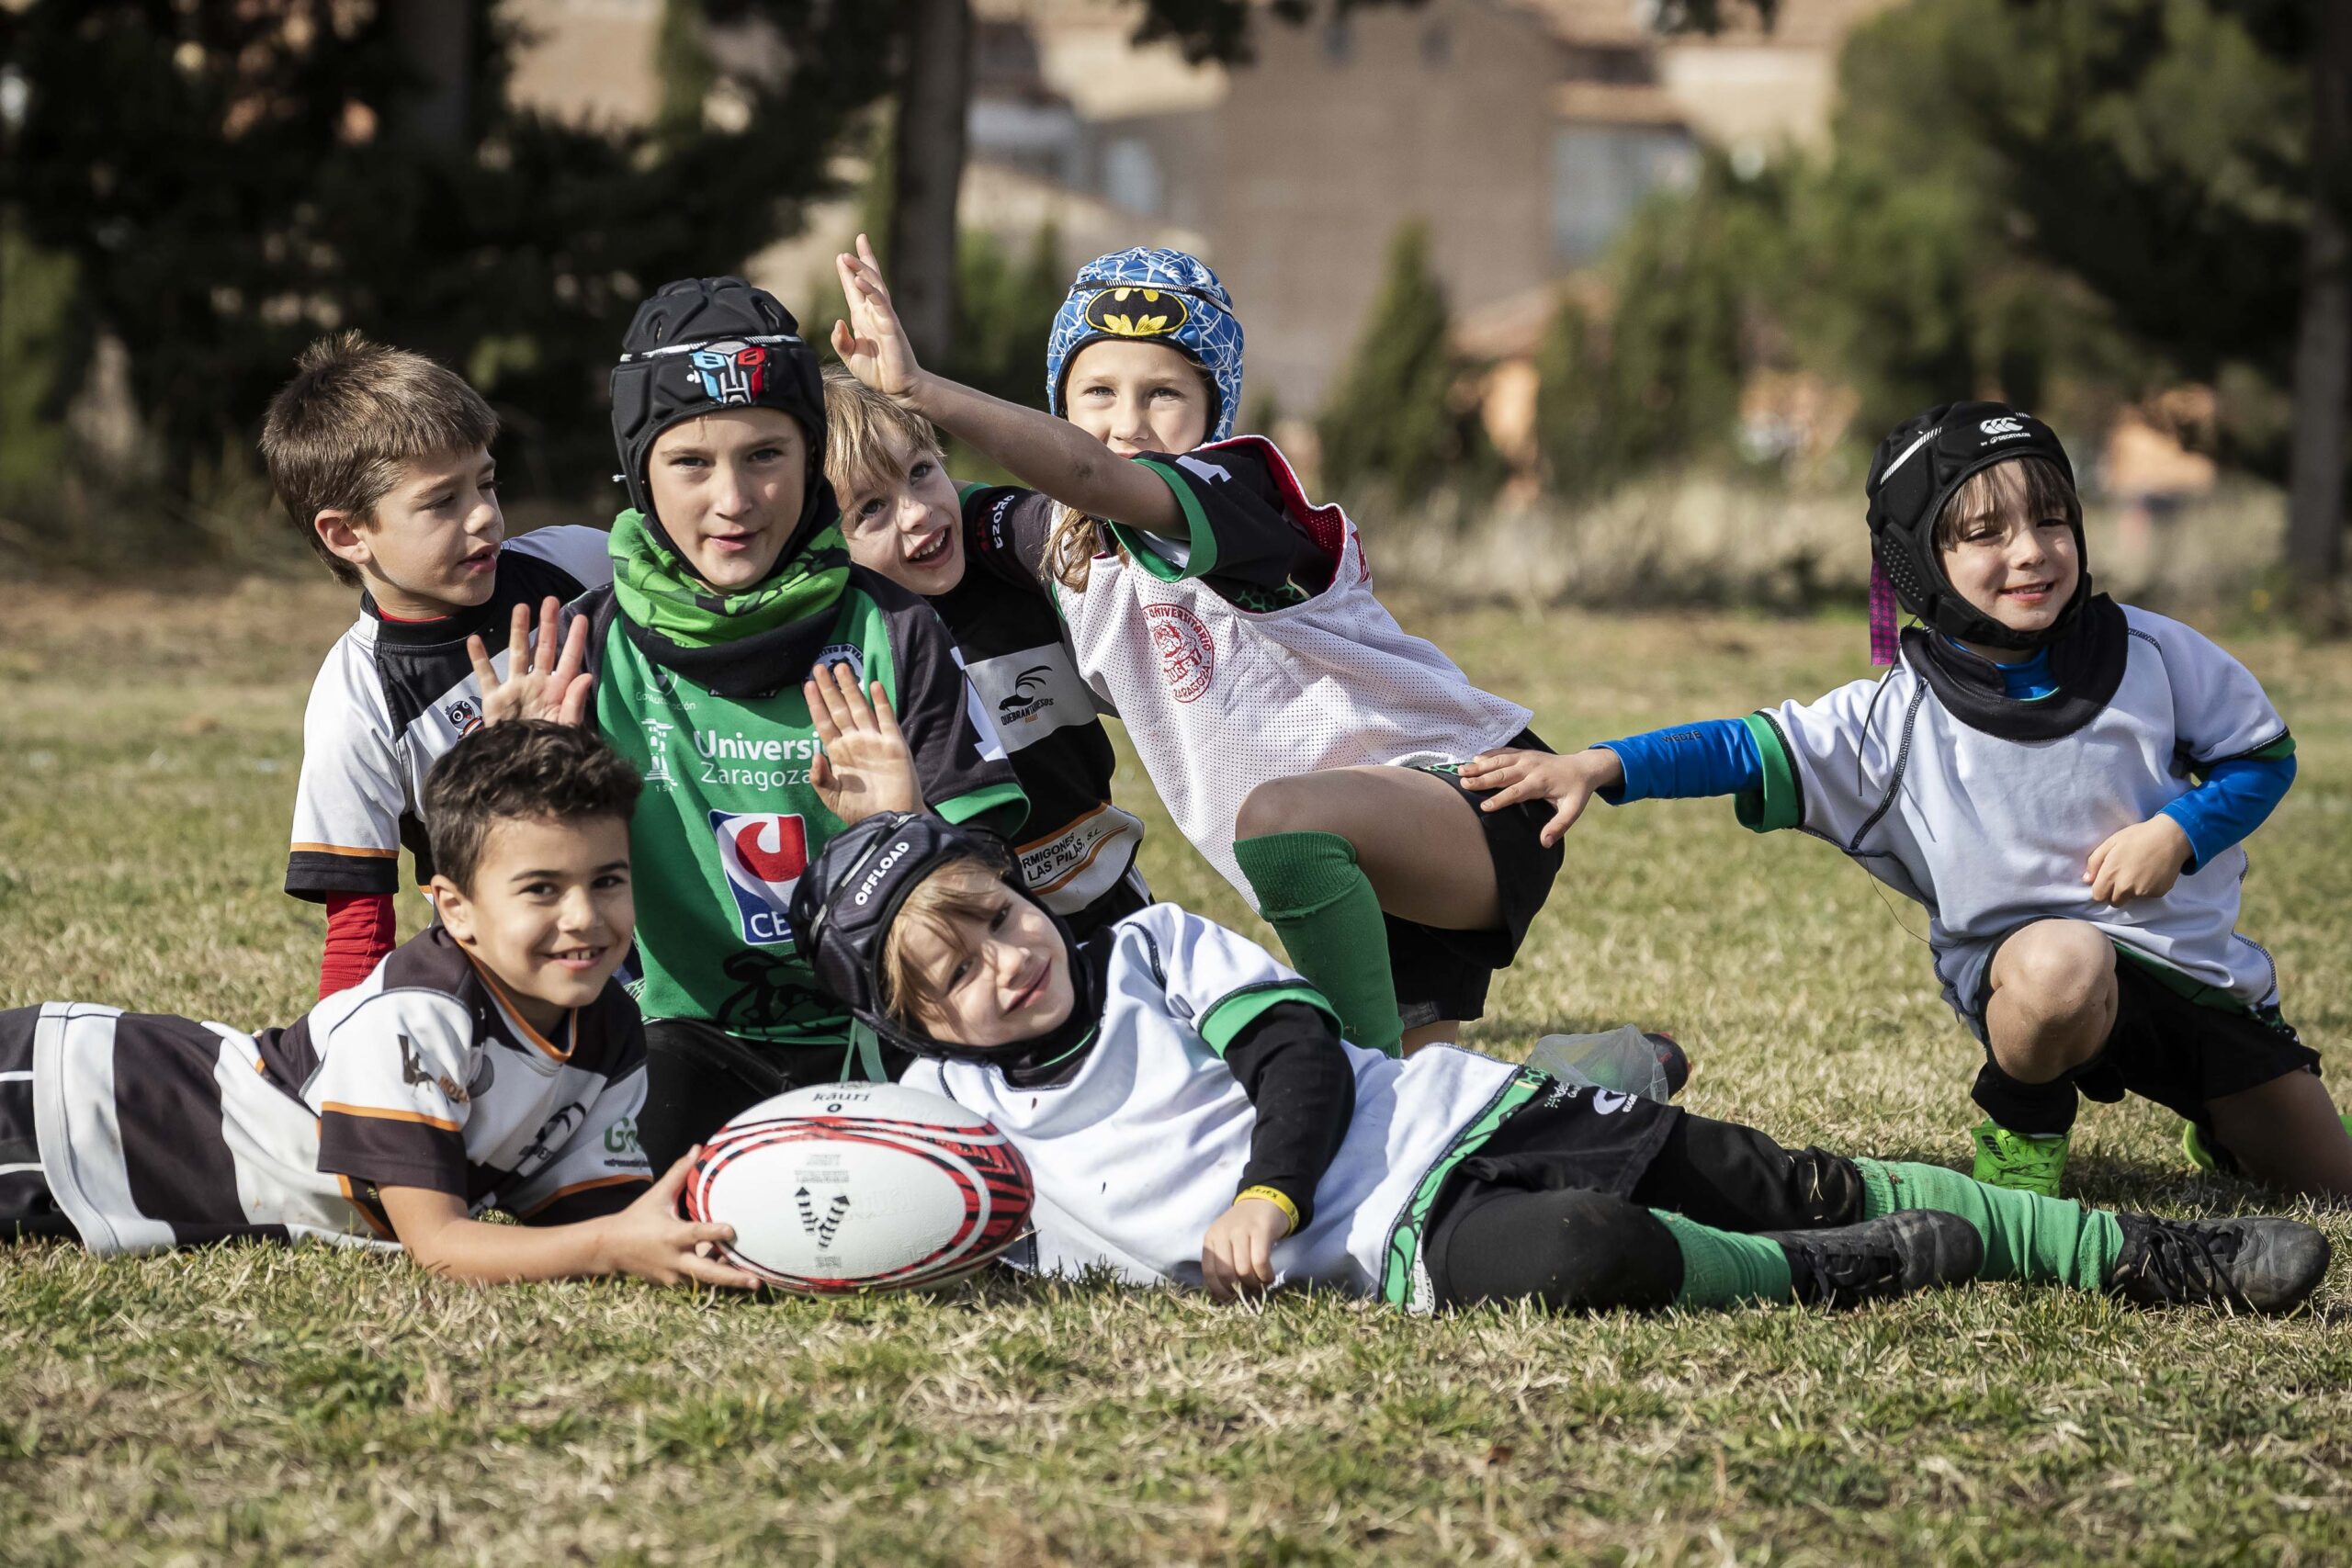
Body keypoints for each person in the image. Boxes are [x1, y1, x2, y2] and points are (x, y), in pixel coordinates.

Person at [786, 811, 2330, 1316]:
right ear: (919, 1027)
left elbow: (1305, 1062)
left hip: (1457, 1113)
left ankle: (2137, 1248)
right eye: (952, 976)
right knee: (1586, 1253)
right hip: (1401, 1246)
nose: (1004, 963)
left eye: (998, 917)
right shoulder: (948, 1124)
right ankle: (1838, 1271)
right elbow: (825, 1192)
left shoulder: (1150, 950)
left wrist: (1266, 1191)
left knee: (1777, 1169)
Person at [1463, 402, 2352, 1198]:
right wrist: (1600, 765)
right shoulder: (1891, 721)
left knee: (2332, 1183)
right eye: (1986, 533)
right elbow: (1742, 747)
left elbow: (2262, 756)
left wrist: (2178, 832)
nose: (2031, 551)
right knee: (2063, 966)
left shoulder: (2156, 653)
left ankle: (2226, 1131)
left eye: (2051, 520)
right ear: (1919, 562)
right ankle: (2023, 1131)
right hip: (2038, 980)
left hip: (2195, 982)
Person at [831, 237, 1555, 1059]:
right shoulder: (1057, 537)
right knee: (1438, 1098)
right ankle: (1611, 1078)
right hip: (1346, 852)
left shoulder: (1240, 492)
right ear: (1059, 406)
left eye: (1164, 393)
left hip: (1472, 793)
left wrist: (921, 390)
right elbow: (910, 506)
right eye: (1097, 391)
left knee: (1342, 1035)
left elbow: (1094, 476)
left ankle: (1361, 1092)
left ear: (1216, 409)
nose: (1126, 422)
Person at [479, 276, 1024, 1172]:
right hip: (680, 1037)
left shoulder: (895, 629)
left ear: (811, 460)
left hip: (890, 1030)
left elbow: (991, 894)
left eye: (765, 454)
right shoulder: (582, 648)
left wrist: (906, 826)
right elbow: (504, 919)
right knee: (617, 1182)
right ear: (638, 472)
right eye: (691, 463)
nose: (732, 498)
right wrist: (511, 793)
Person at [1, 722, 759, 1291]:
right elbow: (442, 1247)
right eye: (541, 889)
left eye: (607, 880)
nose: (584, 917)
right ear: (455, 910)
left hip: (90, 1155)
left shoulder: (610, 1023)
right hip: (65, 1099)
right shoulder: (422, 1014)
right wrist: (610, 1248)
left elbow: (599, 1217)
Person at [261, 332, 612, 998]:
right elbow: (359, 930)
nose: (485, 515)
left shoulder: (581, 564)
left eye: (486, 482)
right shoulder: (356, 697)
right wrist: (347, 1056)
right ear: (347, 534)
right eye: (442, 500)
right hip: (512, 980)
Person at [820, 367, 1149, 936]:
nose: (916, 512)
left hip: (1108, 897)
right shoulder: (854, 652)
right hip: (974, 929)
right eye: (871, 508)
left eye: (921, 472)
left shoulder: (1019, 576)